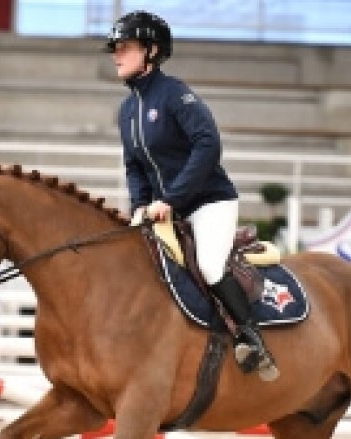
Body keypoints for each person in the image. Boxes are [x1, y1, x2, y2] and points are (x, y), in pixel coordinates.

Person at [105, 10, 278, 382]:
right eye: (115, 48)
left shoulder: (174, 94)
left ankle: (252, 340)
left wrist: (172, 198)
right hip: (163, 208)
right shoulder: (127, 111)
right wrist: (139, 206)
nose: (117, 54)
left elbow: (208, 143)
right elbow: (134, 166)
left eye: (125, 47)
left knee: (212, 265)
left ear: (151, 51)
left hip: (209, 202)